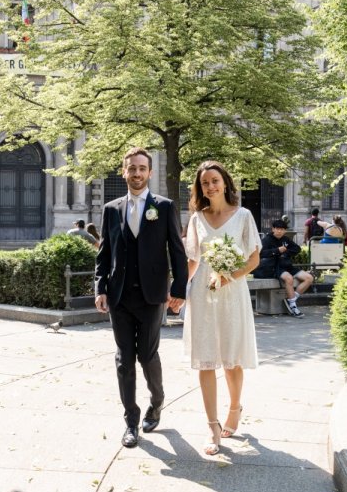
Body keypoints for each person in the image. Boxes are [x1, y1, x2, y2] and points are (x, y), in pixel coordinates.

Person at [95, 147, 188, 449]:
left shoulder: (164, 206)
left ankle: (157, 401)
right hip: (119, 296)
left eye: (141, 168)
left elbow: (177, 251)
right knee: (124, 359)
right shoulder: (111, 209)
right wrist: (100, 288)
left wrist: (178, 290)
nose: (136, 173)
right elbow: (104, 253)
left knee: (147, 355)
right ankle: (131, 422)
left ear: (150, 172)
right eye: (131, 168)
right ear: (123, 171)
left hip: (151, 296)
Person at [184, 160, 262, 456]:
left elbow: (253, 259)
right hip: (203, 293)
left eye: (215, 180)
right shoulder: (196, 219)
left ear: (225, 183)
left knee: (231, 360)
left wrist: (229, 276)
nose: (211, 186)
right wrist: (178, 290)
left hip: (232, 291)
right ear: (200, 188)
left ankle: (234, 407)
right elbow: (193, 260)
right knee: (205, 359)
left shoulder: (243, 216)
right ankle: (212, 425)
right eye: (205, 183)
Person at [254, 219, 313, 318]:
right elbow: (260, 253)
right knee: (288, 278)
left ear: (285, 230)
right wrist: (276, 250)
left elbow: (297, 249)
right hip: (274, 267)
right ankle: (293, 307)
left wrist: (285, 253)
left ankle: (292, 299)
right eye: (277, 229)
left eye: (282, 229)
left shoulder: (286, 239)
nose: (279, 231)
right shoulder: (267, 240)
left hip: (287, 265)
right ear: (273, 229)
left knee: (309, 278)